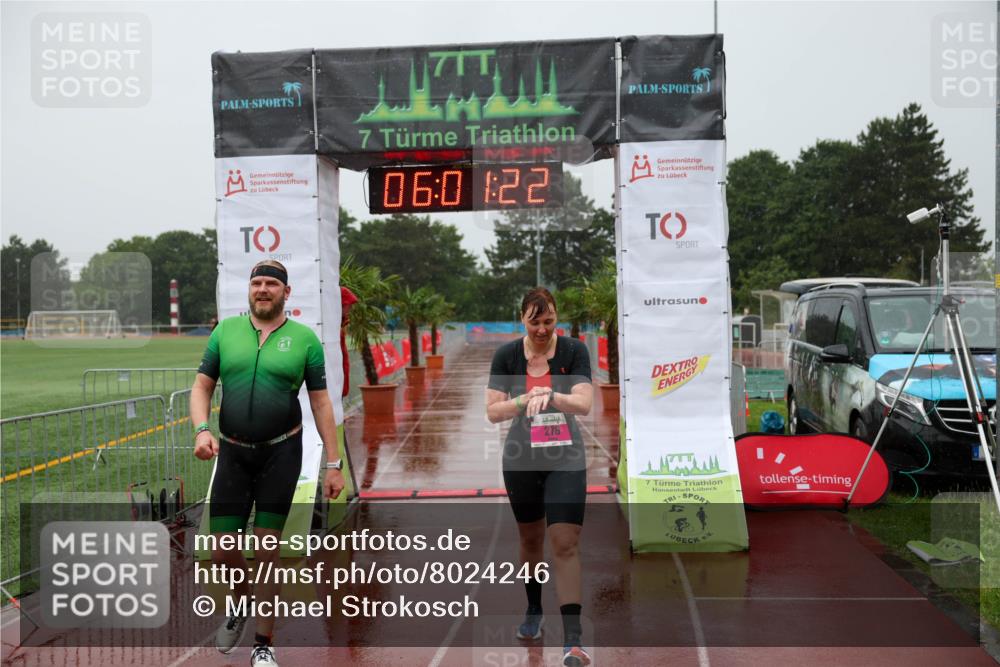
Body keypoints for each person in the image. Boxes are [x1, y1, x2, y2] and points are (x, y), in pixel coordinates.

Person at [191, 259, 345, 667]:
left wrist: (334, 463)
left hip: (282, 452)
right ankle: (241, 603)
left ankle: (263, 643)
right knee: (223, 551)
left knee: (268, 551)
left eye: (271, 284)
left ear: (286, 293)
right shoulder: (225, 333)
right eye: (256, 282)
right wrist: (201, 429)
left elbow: (321, 402)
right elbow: (201, 386)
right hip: (233, 452)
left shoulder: (304, 340)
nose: (263, 289)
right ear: (249, 290)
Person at [486, 287, 594, 667]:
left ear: (557, 318)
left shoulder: (574, 351)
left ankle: (574, 641)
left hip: (566, 458)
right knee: (531, 539)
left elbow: (583, 403)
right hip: (521, 460)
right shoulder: (507, 355)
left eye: (549, 321)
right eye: (535, 322)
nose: (543, 329)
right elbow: (493, 412)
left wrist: (552, 395)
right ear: (522, 319)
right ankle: (533, 608)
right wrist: (519, 402)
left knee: (564, 542)